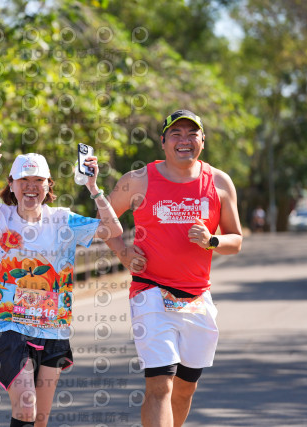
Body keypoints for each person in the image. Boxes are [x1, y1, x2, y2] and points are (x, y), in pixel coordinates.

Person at [0, 143, 123, 427]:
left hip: (53, 329)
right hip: (8, 326)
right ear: (11, 185)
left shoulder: (63, 220)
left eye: (38, 180)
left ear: (48, 185)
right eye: (23, 180)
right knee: (26, 405)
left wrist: (93, 187)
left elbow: (113, 229)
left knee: (40, 418)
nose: (30, 186)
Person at [105, 109, 243, 427]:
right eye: (176, 134)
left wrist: (211, 241)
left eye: (192, 134)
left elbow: (236, 239)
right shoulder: (138, 180)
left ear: (203, 141)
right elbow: (103, 219)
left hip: (197, 298)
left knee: (184, 390)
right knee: (160, 386)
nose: (184, 140)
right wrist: (123, 251)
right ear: (163, 141)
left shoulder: (219, 182)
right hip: (150, 291)